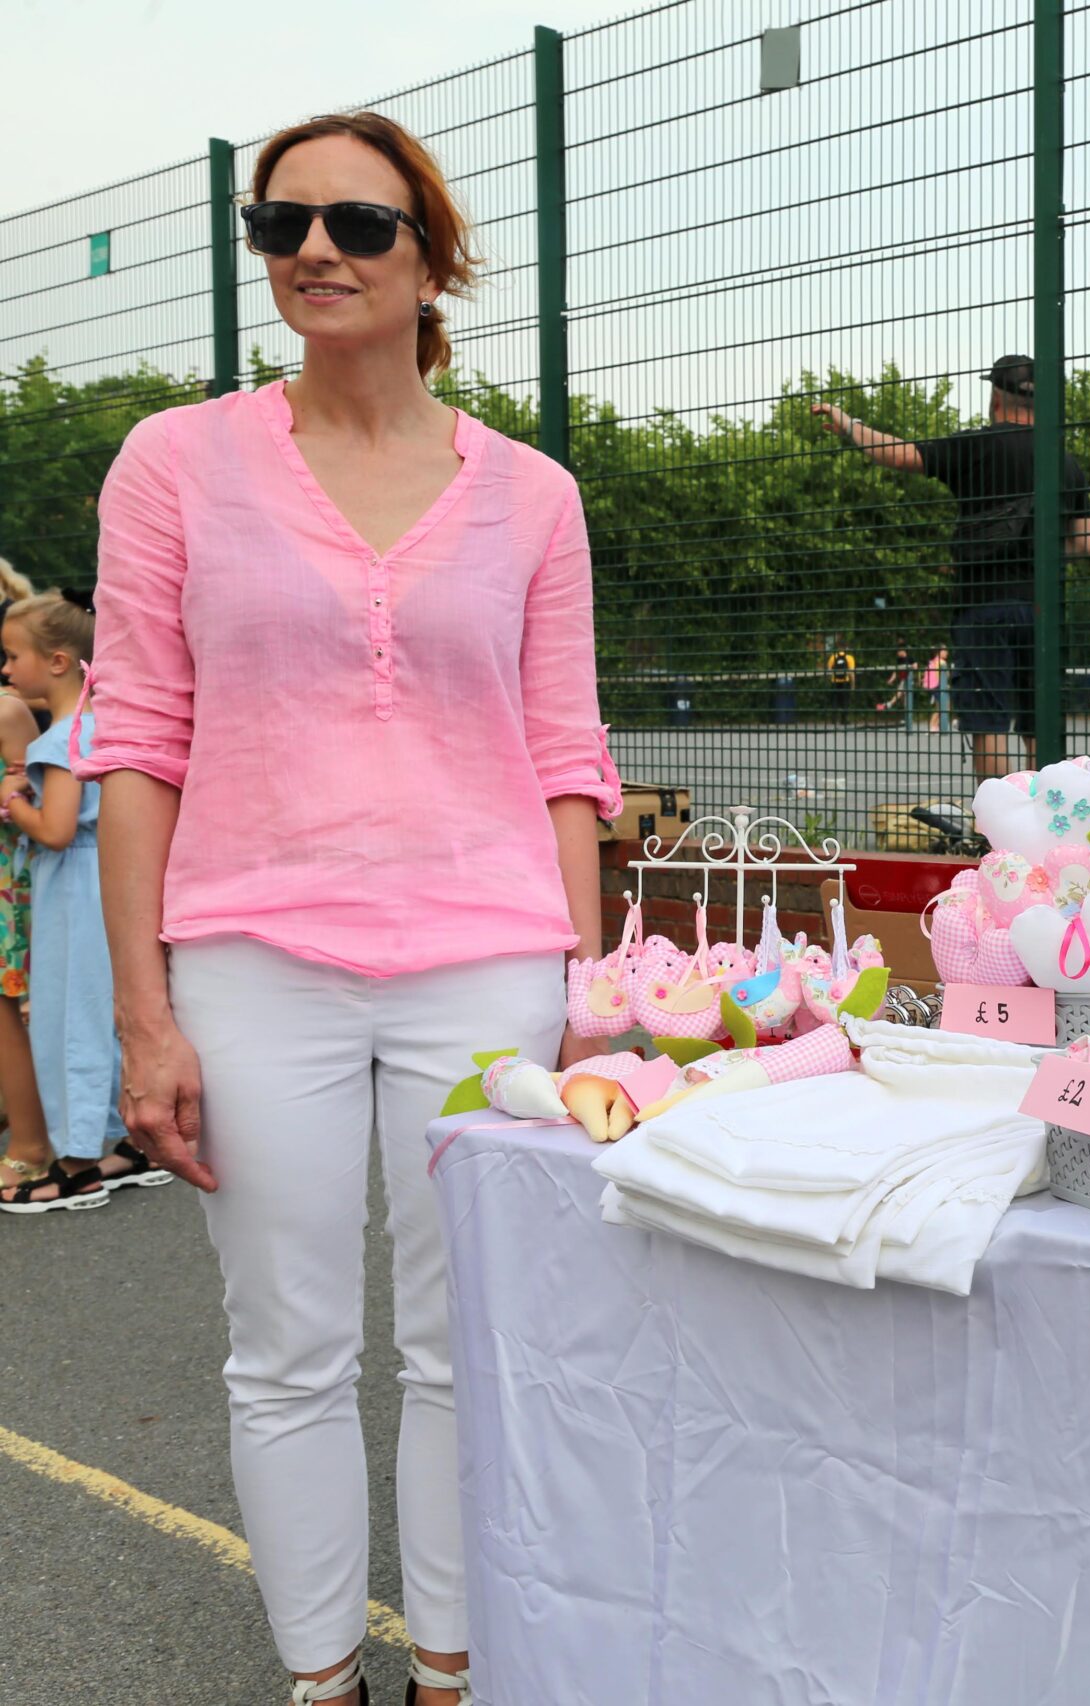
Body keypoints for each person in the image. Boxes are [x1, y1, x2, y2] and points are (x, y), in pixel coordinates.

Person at [81, 111, 620, 1705]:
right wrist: (144, 1012)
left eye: (359, 223)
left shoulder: (534, 496)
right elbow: (139, 740)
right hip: (252, 958)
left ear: (432, 257)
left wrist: (586, 992)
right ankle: (323, 1680)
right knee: (286, 1347)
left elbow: (565, 755)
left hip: (490, 959)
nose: (315, 248)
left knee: (471, 1350)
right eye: (282, 221)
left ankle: (452, 1671)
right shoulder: (174, 463)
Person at [813, 356, 1090, 780]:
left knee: (988, 724)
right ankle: (1045, 818)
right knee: (1041, 725)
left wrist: (850, 425)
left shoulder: (976, 446)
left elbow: (898, 454)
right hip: (1043, 611)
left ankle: (998, 820)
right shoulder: (1065, 462)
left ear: (996, 397)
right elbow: (1086, 544)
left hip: (983, 607)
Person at [0, 594, 157, 1211]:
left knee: (68, 1018)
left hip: (72, 887)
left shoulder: (59, 742)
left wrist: (13, 801)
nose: (6, 669)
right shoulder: (100, 727)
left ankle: (75, 1163)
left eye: (13, 656)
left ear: (58, 662)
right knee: (107, 1012)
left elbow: (57, 830)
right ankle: (133, 1143)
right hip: (106, 878)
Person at [0, 559, 47, 1194]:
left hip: (8, 882)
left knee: (6, 1010)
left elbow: (30, 798)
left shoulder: (9, 711)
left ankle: (31, 1145)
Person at [876, 646, 914, 728]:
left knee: (900, 693)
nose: (897, 653)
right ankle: (907, 718)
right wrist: (891, 680)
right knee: (904, 700)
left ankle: (889, 704)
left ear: (902, 651)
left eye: (898, 651)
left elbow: (915, 666)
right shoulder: (899, 660)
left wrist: (911, 668)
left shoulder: (910, 658)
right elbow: (896, 671)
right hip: (902, 679)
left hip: (908, 679)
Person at [925, 645, 950, 734]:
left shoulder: (933, 661)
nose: (947, 653)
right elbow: (946, 675)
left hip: (933, 687)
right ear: (939, 652)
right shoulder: (942, 662)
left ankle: (935, 726)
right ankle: (933, 726)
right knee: (943, 707)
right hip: (938, 687)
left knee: (941, 707)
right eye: (945, 650)